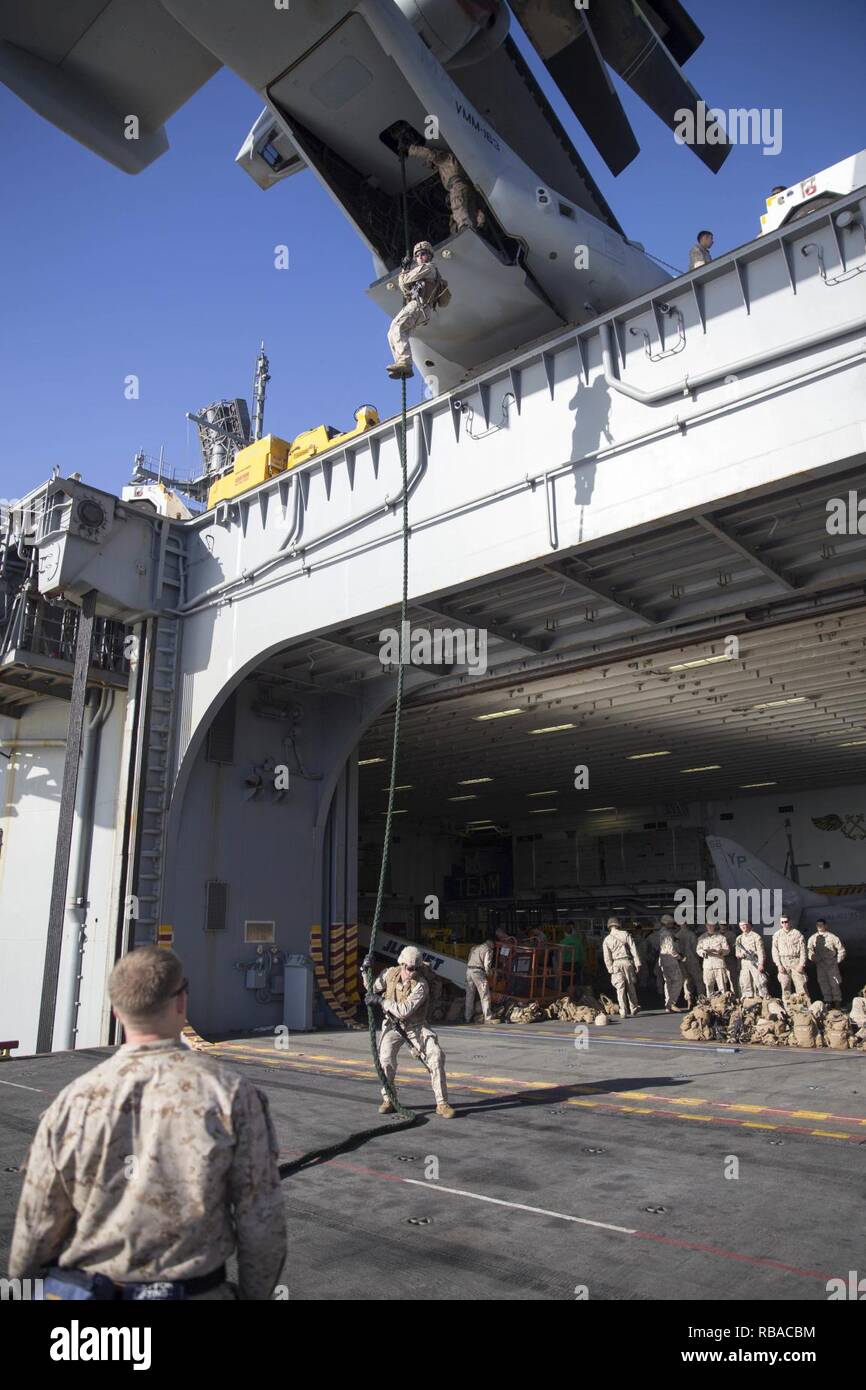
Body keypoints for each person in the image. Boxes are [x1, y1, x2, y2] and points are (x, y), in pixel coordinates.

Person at [8, 946, 286, 1300]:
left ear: (116, 1011)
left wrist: (23, 1285)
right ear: (181, 1002)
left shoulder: (71, 1102)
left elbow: (35, 1227)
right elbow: (262, 1224)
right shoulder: (232, 1095)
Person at [369, 945, 455, 1118]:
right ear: (401, 964)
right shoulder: (390, 974)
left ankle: (442, 1103)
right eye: (409, 968)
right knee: (385, 1059)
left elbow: (403, 1010)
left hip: (416, 1026)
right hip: (393, 1025)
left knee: (435, 1055)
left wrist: (381, 1002)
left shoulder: (421, 985)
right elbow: (372, 987)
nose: (412, 972)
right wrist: (365, 970)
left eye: (416, 968)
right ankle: (389, 1098)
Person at [386, 240, 449, 379]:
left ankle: (405, 363)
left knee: (398, 326)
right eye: (418, 255)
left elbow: (406, 280)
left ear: (429, 256)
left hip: (419, 306)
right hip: (418, 307)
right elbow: (405, 289)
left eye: (423, 254)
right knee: (391, 333)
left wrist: (404, 271)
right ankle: (401, 363)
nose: (420, 257)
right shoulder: (422, 271)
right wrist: (404, 271)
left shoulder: (428, 268)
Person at [403, 139, 486, 235]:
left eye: (431, 164)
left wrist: (411, 149)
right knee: (468, 211)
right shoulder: (453, 165)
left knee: (458, 206)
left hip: (457, 185)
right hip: (466, 187)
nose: (432, 167)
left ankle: (464, 229)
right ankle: (471, 230)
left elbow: (430, 154)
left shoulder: (446, 159)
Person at [602, 916, 641, 1018]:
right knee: (630, 986)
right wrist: (637, 963)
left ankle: (623, 1011)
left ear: (609, 926)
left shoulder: (607, 940)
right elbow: (633, 949)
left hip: (616, 964)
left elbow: (607, 957)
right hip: (627, 962)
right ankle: (634, 1007)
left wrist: (610, 969)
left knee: (620, 989)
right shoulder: (625, 934)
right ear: (618, 924)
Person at [807, 919, 846, 1004]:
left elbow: (841, 950)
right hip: (820, 965)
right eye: (818, 925)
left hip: (831, 964)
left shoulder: (832, 937)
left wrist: (837, 961)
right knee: (823, 982)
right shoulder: (813, 938)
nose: (819, 927)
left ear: (825, 926)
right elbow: (810, 951)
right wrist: (814, 958)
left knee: (835, 983)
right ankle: (828, 1001)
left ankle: (837, 1002)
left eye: (821, 925)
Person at [772, 915, 809, 998]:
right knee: (785, 986)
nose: (785, 924)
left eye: (786, 922)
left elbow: (803, 950)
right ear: (780, 923)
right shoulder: (777, 935)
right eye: (782, 922)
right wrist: (779, 965)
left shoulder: (797, 934)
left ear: (789, 922)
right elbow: (775, 951)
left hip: (795, 961)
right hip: (783, 962)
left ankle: (805, 1007)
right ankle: (788, 1007)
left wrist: (801, 964)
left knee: (801, 985)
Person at [464, 935, 499, 1023]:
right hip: (478, 972)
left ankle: (467, 1017)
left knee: (469, 996)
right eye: (494, 945)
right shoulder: (488, 949)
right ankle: (488, 1017)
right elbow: (487, 966)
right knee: (485, 995)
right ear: (491, 943)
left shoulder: (474, 948)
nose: (494, 947)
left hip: (469, 971)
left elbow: (468, 960)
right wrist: (491, 973)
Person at [658, 914, 688, 1012]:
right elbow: (671, 950)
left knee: (668, 982)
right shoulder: (667, 934)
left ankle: (668, 1004)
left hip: (663, 960)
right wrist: (680, 958)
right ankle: (671, 1003)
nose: (672, 925)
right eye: (671, 923)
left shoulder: (661, 932)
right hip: (670, 960)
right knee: (678, 980)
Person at [734, 919, 769, 997]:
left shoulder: (756, 936)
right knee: (746, 982)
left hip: (755, 962)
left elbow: (761, 952)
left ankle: (764, 997)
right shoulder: (739, 938)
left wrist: (761, 964)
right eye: (741, 925)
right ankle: (748, 999)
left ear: (749, 925)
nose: (743, 927)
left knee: (760, 981)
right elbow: (737, 953)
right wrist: (741, 955)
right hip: (744, 963)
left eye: (744, 925)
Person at [696, 921, 730, 996]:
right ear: (706, 925)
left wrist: (720, 951)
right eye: (709, 925)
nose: (710, 927)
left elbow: (727, 950)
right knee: (708, 986)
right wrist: (703, 952)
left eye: (712, 925)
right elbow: (698, 949)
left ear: (715, 926)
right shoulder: (702, 938)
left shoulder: (721, 937)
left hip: (719, 964)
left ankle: (724, 1003)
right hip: (707, 965)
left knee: (722, 986)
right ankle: (710, 1003)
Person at [559, 921, 585, 987]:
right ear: (572, 932)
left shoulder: (562, 942)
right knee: (576, 979)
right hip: (576, 963)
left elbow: (559, 955)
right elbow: (582, 953)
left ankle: (565, 994)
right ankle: (576, 993)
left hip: (565, 963)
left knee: (565, 979)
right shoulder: (578, 941)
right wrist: (582, 962)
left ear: (564, 933)